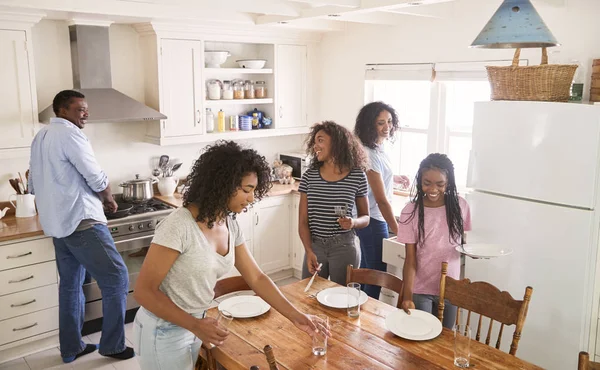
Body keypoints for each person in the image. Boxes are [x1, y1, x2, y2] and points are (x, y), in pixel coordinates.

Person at [132, 141, 324, 370]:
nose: (251, 198)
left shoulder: (229, 223)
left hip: (195, 323)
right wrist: (195, 324)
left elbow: (257, 278)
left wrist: (297, 316)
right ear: (222, 185)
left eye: (253, 190)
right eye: (246, 190)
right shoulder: (179, 225)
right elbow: (143, 292)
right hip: (163, 330)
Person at [28, 90, 132, 363]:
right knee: (117, 277)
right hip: (81, 221)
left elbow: (31, 183)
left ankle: (71, 347)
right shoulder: (71, 135)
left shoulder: (41, 137)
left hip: (57, 224)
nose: (85, 113)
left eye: (86, 109)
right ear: (62, 110)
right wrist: (109, 199)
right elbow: (95, 176)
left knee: (71, 286)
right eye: (79, 109)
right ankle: (112, 345)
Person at [397, 153, 471, 329]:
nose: (433, 189)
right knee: (422, 337)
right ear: (419, 181)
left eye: (440, 184)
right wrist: (407, 296)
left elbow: (462, 242)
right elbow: (410, 259)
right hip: (421, 288)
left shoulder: (461, 206)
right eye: (427, 183)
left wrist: (470, 252)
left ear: (449, 182)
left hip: (451, 288)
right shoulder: (411, 211)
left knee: (445, 340)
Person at [299, 121, 370, 286]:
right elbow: (302, 222)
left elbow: (366, 217)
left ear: (337, 143)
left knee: (343, 300)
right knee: (307, 297)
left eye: (321, 140)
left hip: (344, 246)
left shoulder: (357, 176)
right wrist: (308, 251)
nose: (316, 146)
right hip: (315, 246)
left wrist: (353, 223)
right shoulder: (309, 176)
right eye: (315, 141)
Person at [353, 101, 410, 299]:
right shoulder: (369, 153)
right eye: (381, 123)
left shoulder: (377, 147)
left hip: (370, 216)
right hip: (373, 218)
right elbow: (381, 200)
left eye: (390, 121)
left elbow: (374, 178)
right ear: (370, 125)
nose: (387, 127)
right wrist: (397, 229)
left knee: (367, 269)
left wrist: (393, 178)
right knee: (377, 273)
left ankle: (355, 309)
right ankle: (366, 317)